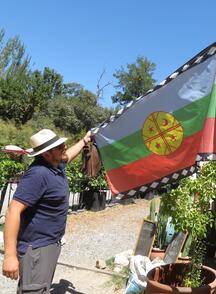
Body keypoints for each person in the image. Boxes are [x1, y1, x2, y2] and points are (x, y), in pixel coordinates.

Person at [2, 129, 91, 293]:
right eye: (59, 147)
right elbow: (12, 211)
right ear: (46, 154)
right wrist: (9, 256)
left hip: (50, 244)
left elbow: (68, 155)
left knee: (42, 287)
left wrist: (84, 141)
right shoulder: (38, 174)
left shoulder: (56, 165)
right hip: (36, 248)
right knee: (34, 290)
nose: (64, 147)